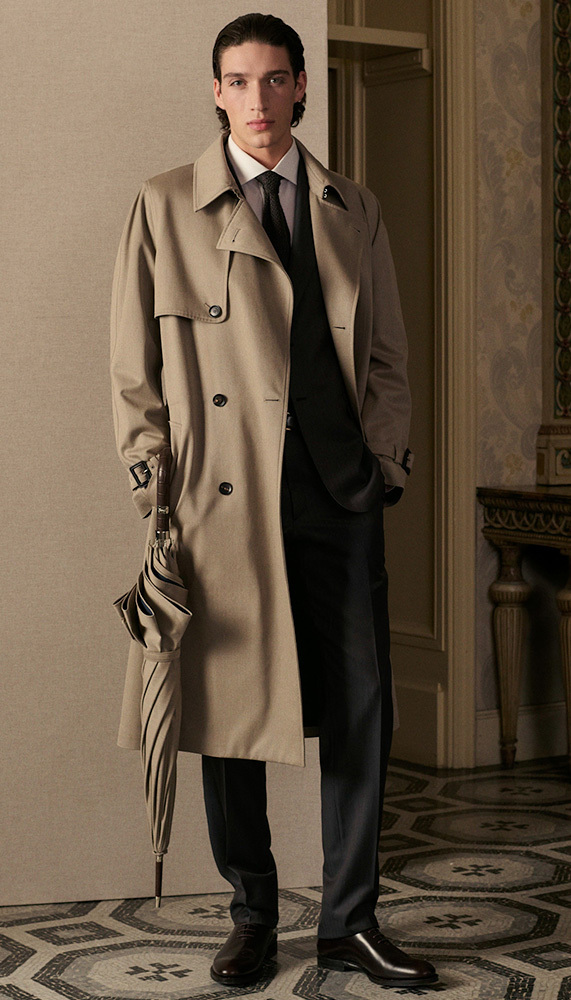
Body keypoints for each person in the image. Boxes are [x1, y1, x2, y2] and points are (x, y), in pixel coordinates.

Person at [110, 12, 437, 991]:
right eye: (237, 81)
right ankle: (251, 915)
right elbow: (133, 369)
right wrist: (154, 489)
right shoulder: (165, 204)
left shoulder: (351, 208)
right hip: (222, 499)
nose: (256, 99)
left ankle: (350, 923)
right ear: (216, 92)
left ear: (302, 86)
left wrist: (383, 466)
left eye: (274, 78)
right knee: (232, 712)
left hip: (340, 493)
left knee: (361, 711)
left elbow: (386, 355)